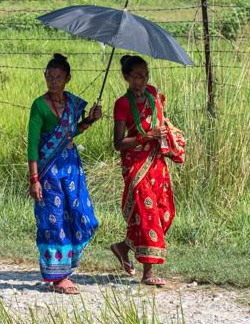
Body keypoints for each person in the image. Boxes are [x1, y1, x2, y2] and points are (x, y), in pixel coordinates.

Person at [27, 53, 102, 294]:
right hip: (49, 175)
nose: (53, 81)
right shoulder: (39, 106)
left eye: (58, 77)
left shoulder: (71, 104)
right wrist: (34, 179)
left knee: (80, 214)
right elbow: (33, 144)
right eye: (50, 76)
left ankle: (67, 266)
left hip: (71, 171)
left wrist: (89, 120)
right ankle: (59, 277)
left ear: (68, 78)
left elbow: (72, 132)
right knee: (54, 219)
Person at [110, 54, 184, 286]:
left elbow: (163, 120)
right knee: (147, 215)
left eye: (145, 75)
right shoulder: (122, 104)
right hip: (136, 166)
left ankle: (123, 247)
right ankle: (149, 273)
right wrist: (146, 136)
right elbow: (118, 143)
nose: (142, 80)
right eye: (137, 76)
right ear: (127, 77)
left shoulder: (154, 95)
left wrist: (166, 137)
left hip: (156, 164)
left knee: (164, 212)